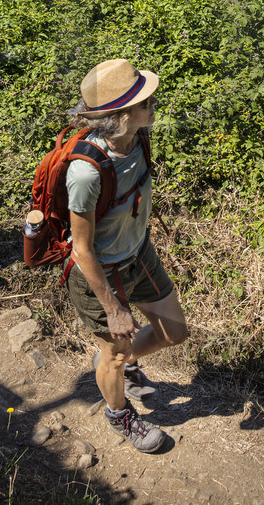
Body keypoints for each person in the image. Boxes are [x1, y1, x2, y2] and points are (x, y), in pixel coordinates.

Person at [65, 58, 190, 454]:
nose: (152, 103)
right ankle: (118, 412)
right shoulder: (86, 172)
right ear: (120, 116)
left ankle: (120, 364)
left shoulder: (137, 137)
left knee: (174, 333)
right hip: (100, 273)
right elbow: (81, 248)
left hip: (139, 254)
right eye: (143, 101)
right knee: (114, 355)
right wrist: (113, 309)